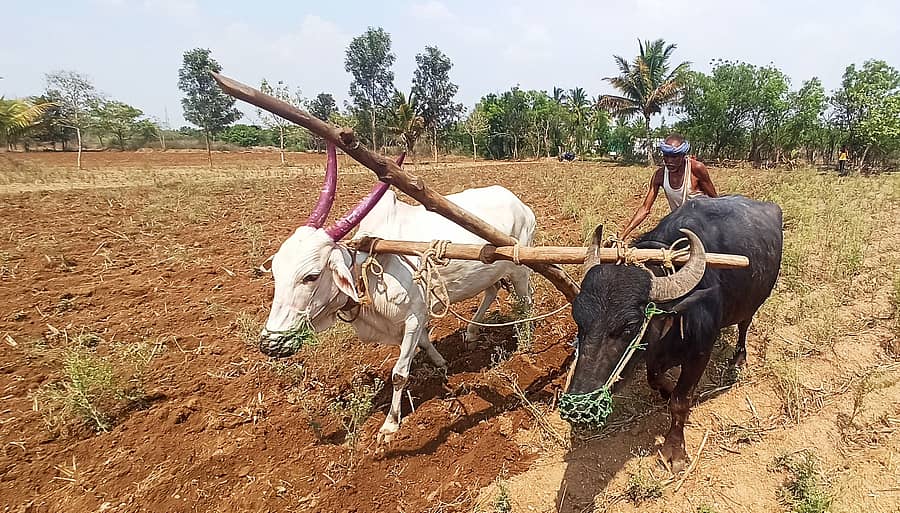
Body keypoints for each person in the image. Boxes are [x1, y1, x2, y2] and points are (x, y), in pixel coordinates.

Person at [618, 134, 718, 240]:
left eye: (674, 157)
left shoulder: (696, 168)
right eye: (666, 156)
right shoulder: (660, 175)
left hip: (703, 224)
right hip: (680, 224)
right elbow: (645, 209)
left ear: (683, 155)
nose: (669, 161)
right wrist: (623, 236)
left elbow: (715, 200)